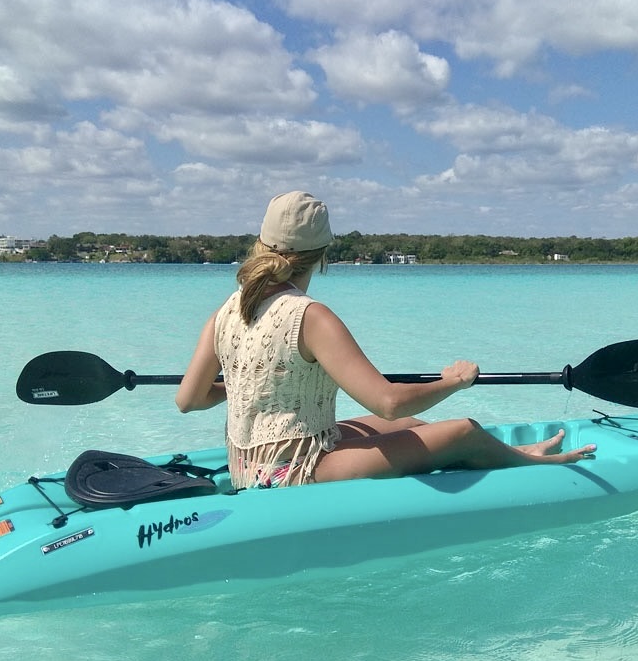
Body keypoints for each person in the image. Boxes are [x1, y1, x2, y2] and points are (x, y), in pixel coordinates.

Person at [175, 191, 595, 488]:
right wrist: (454, 381)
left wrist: (257, 381)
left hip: (246, 465)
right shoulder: (310, 316)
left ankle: (506, 455)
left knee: (413, 426)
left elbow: (188, 400)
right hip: (297, 472)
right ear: (322, 256)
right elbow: (389, 403)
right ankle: (532, 463)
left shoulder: (226, 311)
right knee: (462, 429)